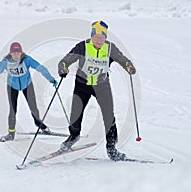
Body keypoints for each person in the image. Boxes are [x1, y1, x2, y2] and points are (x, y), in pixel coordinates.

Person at [58, 20, 136, 161]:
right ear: (92, 36)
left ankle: (111, 149)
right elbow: (65, 61)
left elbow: (122, 59)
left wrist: (129, 66)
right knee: (76, 114)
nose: (99, 40)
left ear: (105, 38)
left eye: (102, 37)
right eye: (96, 37)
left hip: (102, 86)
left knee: (109, 116)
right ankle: (73, 136)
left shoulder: (110, 48)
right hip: (82, 85)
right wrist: (63, 68)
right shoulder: (83, 47)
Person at [0, 42, 58, 142]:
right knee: (13, 110)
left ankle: (41, 126)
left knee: (34, 108)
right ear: (10, 54)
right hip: (12, 87)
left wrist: (51, 79)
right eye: (14, 53)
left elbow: (40, 68)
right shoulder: (6, 62)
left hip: (27, 85)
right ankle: (11, 133)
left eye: (18, 53)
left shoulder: (27, 60)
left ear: (21, 53)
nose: (16, 55)